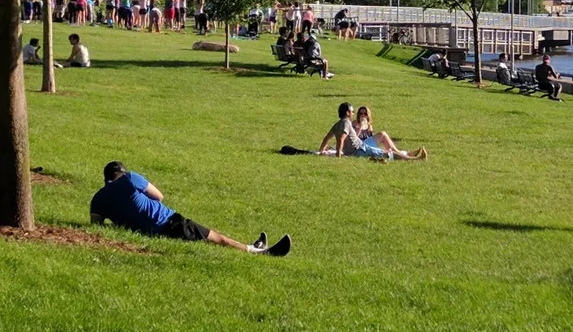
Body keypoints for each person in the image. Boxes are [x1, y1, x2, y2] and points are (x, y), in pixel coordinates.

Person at [90, 161, 291, 256]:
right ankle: (256, 251)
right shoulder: (130, 179)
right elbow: (159, 197)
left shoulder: (97, 199)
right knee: (217, 238)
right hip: (169, 223)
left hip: (152, 230)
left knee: (211, 237)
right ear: (122, 172)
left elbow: (96, 227)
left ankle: (255, 246)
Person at [318, 103, 427, 160]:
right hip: (360, 149)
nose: (353, 113)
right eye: (352, 111)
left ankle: (408, 156)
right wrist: (338, 156)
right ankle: (414, 160)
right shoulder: (347, 123)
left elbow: (327, 138)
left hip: (360, 149)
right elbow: (340, 140)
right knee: (388, 154)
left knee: (387, 152)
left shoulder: (337, 124)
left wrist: (320, 151)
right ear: (347, 113)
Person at [353, 106, 426, 160]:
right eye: (360, 113)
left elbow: (371, 140)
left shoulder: (369, 126)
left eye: (365, 113)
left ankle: (405, 154)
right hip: (360, 147)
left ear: (368, 115)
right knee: (382, 134)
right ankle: (405, 155)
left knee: (384, 138)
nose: (362, 115)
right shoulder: (354, 123)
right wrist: (360, 126)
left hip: (366, 146)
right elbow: (354, 139)